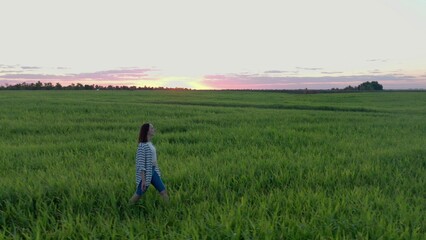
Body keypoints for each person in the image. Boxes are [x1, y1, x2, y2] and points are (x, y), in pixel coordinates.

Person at [129, 123, 169, 204]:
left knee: (163, 191)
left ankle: (169, 209)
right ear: (147, 131)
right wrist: (143, 180)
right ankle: (128, 206)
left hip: (153, 171)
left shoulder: (150, 144)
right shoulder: (142, 146)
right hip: (146, 173)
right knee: (138, 194)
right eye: (152, 128)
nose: (154, 129)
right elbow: (141, 164)